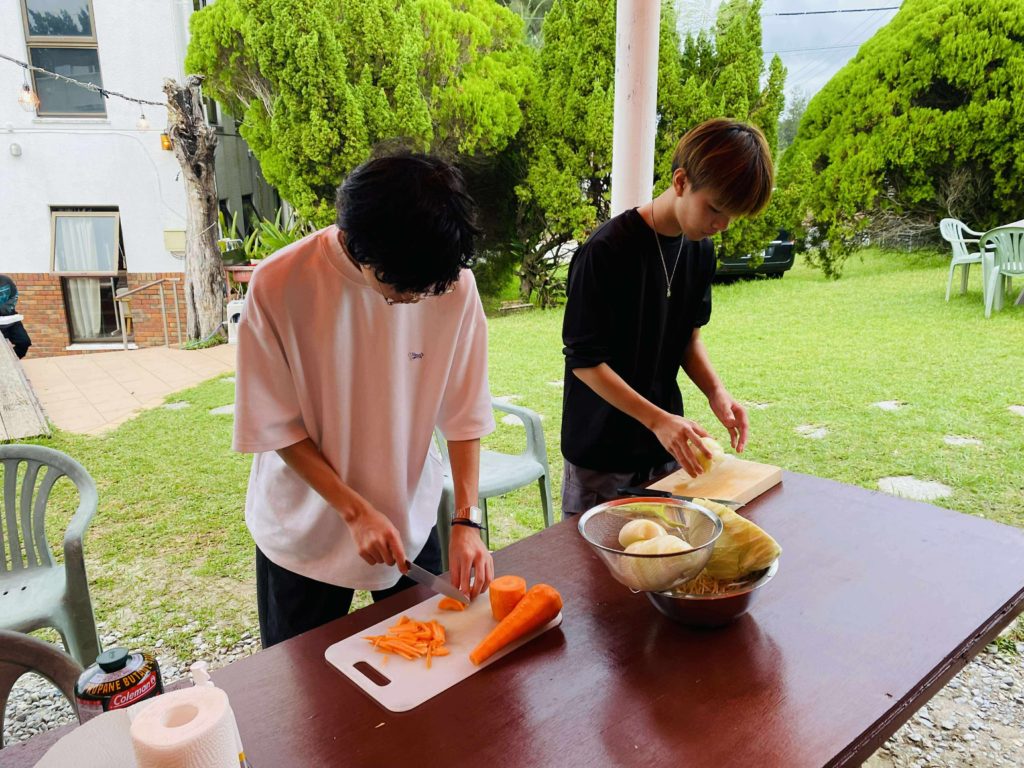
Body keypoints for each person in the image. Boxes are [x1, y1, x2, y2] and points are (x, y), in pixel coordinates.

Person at [233, 152, 495, 648]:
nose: (415, 299)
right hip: (302, 530)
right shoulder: (280, 283)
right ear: (358, 246)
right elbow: (275, 425)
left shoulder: (452, 284)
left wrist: (466, 520)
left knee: (429, 662)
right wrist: (354, 511)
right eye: (402, 289)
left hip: (410, 522)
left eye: (427, 289)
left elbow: (465, 413)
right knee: (303, 682)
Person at [560, 118, 774, 517]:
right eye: (715, 209)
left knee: (667, 552)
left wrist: (716, 392)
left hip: (665, 449)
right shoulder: (607, 251)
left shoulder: (700, 251)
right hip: (601, 453)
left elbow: (688, 340)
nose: (721, 225)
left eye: (732, 217)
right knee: (595, 557)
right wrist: (658, 420)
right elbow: (584, 362)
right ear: (680, 181)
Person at [0, 274, 31, 359]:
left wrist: (4, 309)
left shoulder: (5, 280)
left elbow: (14, 295)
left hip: (10, 317)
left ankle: (9, 361)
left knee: (24, 342)